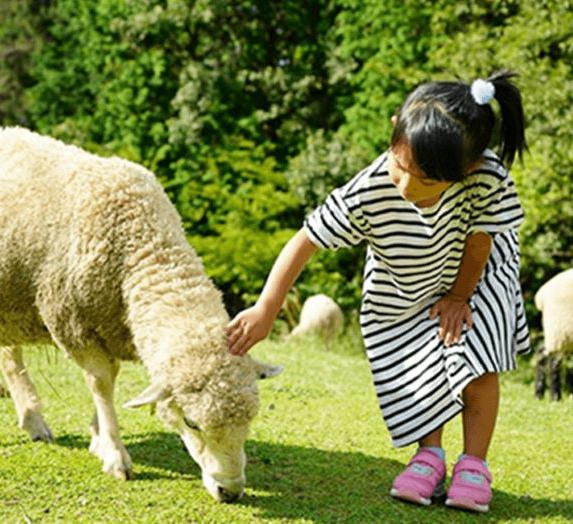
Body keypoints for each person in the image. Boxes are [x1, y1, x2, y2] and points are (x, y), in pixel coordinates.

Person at [226, 71, 530, 513]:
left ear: (467, 170)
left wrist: (460, 298)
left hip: (477, 277)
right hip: (406, 282)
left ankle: (474, 464)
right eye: (401, 167)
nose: (406, 188)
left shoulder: (486, 177)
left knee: (474, 356)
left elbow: (480, 241)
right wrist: (266, 307)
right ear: (394, 131)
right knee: (423, 361)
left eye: (426, 183)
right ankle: (429, 456)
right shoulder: (369, 188)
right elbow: (306, 238)